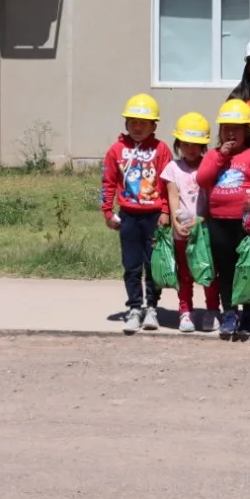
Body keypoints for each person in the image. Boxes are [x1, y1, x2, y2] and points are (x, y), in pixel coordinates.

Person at [197, 99, 250, 342]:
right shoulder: (213, 155)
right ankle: (230, 313)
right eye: (226, 127)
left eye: (237, 128)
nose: (231, 132)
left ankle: (249, 314)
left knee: (248, 270)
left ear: (247, 131)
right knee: (225, 271)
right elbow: (202, 179)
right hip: (219, 221)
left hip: (247, 224)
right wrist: (220, 157)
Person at [103, 93, 172, 335]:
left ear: (154, 125)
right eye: (133, 122)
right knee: (131, 265)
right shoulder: (116, 150)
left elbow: (168, 182)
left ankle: (151, 307)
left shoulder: (161, 149)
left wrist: (166, 210)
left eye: (144, 123)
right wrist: (107, 211)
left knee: (153, 265)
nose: (138, 127)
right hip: (129, 217)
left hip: (154, 216)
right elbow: (108, 181)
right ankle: (134, 308)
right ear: (126, 124)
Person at [162, 112, 218, 333]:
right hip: (182, 231)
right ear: (178, 144)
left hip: (204, 231)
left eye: (196, 144)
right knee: (184, 274)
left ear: (204, 145)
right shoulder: (173, 169)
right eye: (186, 144)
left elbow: (214, 198)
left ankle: (212, 311)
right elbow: (172, 196)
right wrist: (176, 222)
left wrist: (203, 220)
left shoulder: (208, 167)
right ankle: (185, 311)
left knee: (208, 272)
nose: (191, 149)